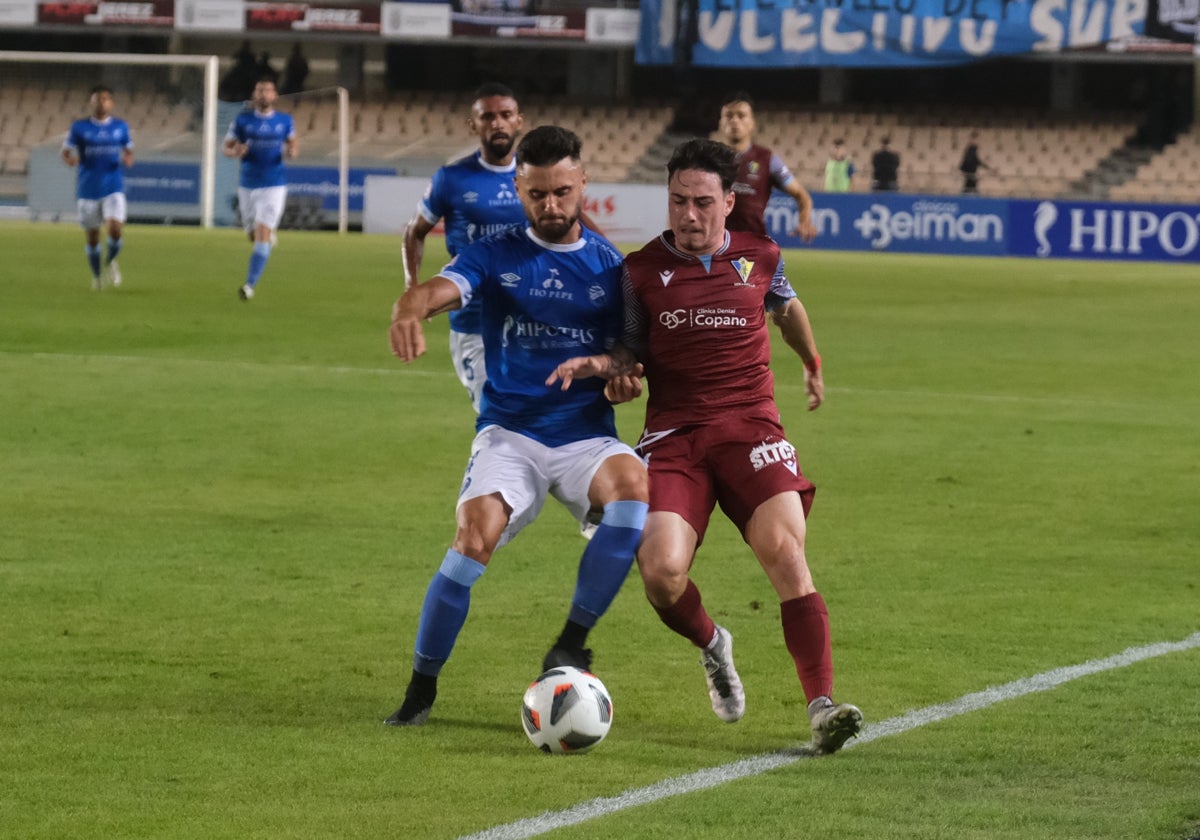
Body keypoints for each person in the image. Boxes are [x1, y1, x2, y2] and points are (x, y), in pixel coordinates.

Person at [548, 138, 862, 756]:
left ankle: (823, 706)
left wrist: (813, 362)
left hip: (752, 431)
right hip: (676, 437)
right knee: (662, 575)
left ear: (728, 201)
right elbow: (628, 354)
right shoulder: (639, 273)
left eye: (701, 203)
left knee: (785, 552)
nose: (688, 216)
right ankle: (714, 644)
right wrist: (612, 372)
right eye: (677, 202)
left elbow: (787, 306)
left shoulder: (761, 255)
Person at [384, 125, 649, 727]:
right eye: (536, 195)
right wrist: (409, 305)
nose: (550, 206)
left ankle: (570, 643)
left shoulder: (614, 271)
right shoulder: (495, 253)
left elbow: (628, 358)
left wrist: (621, 375)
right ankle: (421, 688)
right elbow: (441, 289)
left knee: (636, 493)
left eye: (561, 192)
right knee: (470, 541)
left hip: (585, 434)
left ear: (583, 183)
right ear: (519, 190)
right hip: (510, 432)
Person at [402, 82, 527, 412]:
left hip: (535, 320)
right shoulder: (452, 179)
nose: (497, 122)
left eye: (505, 115)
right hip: (476, 324)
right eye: (487, 116)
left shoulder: (537, 179)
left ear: (519, 121)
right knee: (497, 416)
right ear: (473, 125)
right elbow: (415, 232)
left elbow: (576, 226)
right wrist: (413, 289)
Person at [222, 78, 298, 301]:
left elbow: (293, 142)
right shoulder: (243, 120)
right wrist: (236, 149)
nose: (264, 94)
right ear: (255, 95)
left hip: (274, 185)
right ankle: (265, 238)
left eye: (268, 90)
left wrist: (292, 151)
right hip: (248, 185)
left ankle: (249, 285)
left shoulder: (284, 120)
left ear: (275, 95)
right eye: (260, 90)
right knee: (253, 235)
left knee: (262, 234)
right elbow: (226, 148)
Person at [715, 92, 817, 242]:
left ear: (752, 123)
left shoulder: (767, 160)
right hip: (714, 246)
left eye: (741, 116)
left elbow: (802, 195)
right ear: (720, 123)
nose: (735, 121)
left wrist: (804, 220)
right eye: (729, 116)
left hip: (753, 246)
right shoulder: (708, 159)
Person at [62, 85, 134, 291]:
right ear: (91, 102)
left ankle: (111, 260)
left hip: (113, 186)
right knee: (93, 238)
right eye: (97, 99)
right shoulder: (79, 127)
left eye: (105, 99)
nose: (101, 102)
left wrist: (128, 158)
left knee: (115, 229)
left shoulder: (121, 126)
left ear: (111, 103)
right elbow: (66, 151)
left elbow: (128, 149)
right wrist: (69, 159)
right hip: (88, 188)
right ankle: (97, 277)